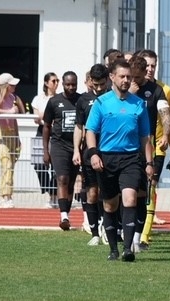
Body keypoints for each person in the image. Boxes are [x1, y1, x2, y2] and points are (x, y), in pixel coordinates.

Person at [85, 59, 154, 262]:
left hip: (131, 158)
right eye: (122, 76)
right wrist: (93, 153)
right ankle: (113, 249)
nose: (126, 80)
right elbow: (90, 131)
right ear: (112, 77)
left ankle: (128, 249)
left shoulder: (139, 104)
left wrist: (149, 163)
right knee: (110, 205)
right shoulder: (101, 103)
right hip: (107, 158)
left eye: (128, 77)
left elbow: (145, 137)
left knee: (130, 199)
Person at [128, 53, 170, 252]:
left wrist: (166, 134)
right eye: (131, 77)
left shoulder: (156, 91)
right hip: (123, 148)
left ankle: (139, 237)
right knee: (124, 193)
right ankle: (121, 233)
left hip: (147, 148)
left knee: (143, 193)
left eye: (137, 77)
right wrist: (130, 94)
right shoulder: (123, 91)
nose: (133, 81)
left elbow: (166, 115)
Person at [137, 49, 170, 229]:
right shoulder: (130, 89)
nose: (150, 69)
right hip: (133, 146)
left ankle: (145, 234)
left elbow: (169, 118)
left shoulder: (164, 90)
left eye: (153, 66)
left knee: (151, 185)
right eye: (146, 65)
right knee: (135, 189)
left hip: (157, 146)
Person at [73, 63, 109, 246]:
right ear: (90, 82)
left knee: (109, 193)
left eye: (102, 84)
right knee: (92, 193)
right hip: (89, 154)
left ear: (108, 80)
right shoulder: (83, 100)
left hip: (110, 152)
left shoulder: (113, 98)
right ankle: (94, 232)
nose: (99, 88)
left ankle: (109, 228)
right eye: (96, 84)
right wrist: (76, 150)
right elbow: (79, 127)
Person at [42, 71, 80, 229]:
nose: (71, 87)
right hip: (59, 146)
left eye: (73, 84)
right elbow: (46, 126)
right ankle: (63, 216)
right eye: (68, 84)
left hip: (76, 147)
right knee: (62, 178)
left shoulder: (81, 100)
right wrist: (46, 150)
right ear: (63, 84)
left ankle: (67, 214)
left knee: (71, 182)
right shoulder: (54, 102)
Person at [0, 73, 24, 208]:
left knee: (10, 166)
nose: (14, 86)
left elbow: (15, 120)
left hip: (12, 133)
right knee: (6, 164)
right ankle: (5, 196)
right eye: (12, 84)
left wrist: (17, 137)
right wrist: (9, 111)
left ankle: (7, 195)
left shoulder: (13, 98)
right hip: (1, 133)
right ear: (5, 85)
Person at [31, 72, 59, 208]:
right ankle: (48, 190)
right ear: (46, 83)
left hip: (55, 131)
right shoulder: (38, 99)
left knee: (56, 166)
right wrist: (45, 116)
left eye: (57, 81)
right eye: (53, 81)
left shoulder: (59, 98)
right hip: (42, 130)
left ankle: (54, 196)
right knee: (39, 164)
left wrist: (44, 115)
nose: (56, 83)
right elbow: (37, 118)